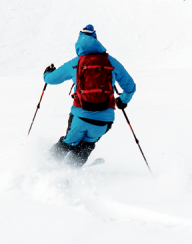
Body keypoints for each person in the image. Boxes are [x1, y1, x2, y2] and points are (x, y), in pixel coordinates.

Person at [43, 24, 136, 166]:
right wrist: (122, 101)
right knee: (87, 145)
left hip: (80, 117)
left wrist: (47, 73)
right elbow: (130, 87)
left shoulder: (77, 63)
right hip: (104, 121)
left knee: (68, 142)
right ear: (97, 40)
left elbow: (51, 79)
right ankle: (73, 171)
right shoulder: (111, 62)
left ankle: (45, 164)